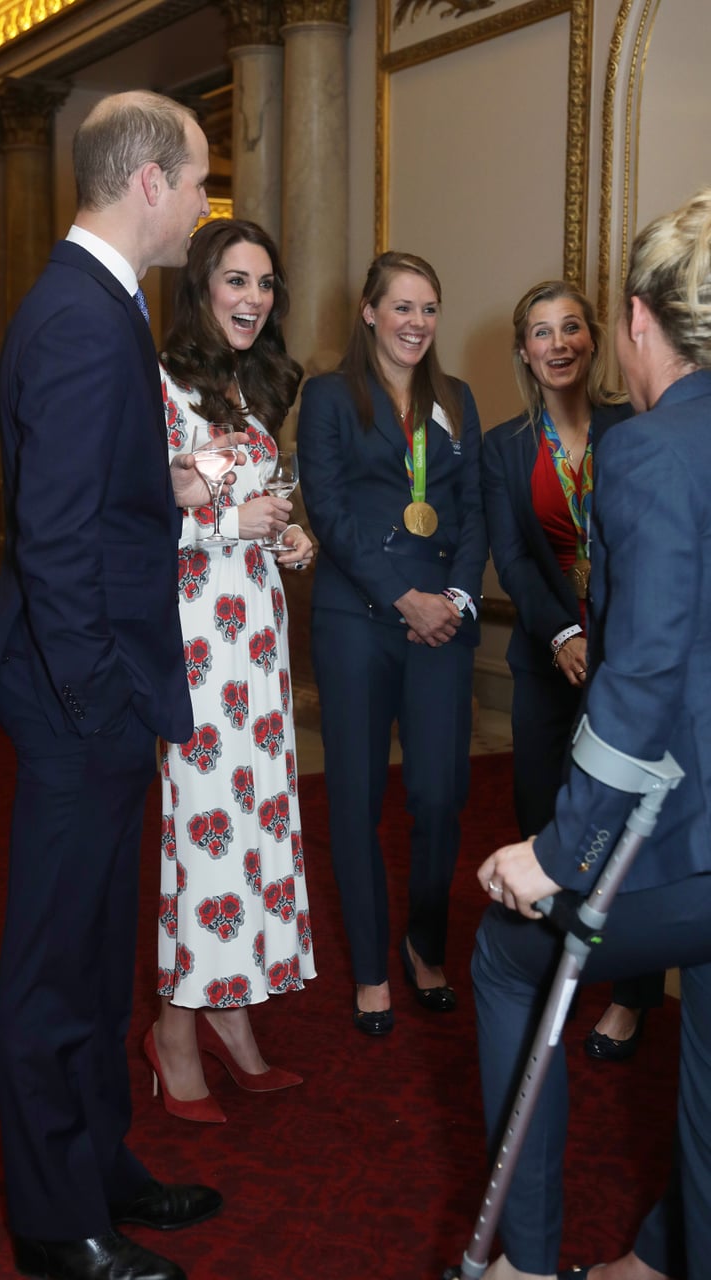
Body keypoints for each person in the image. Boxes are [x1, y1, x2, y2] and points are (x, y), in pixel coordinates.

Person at [0, 92, 225, 1280]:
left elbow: (97, 497)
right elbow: (58, 540)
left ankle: (99, 1162)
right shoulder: (80, 317)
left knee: (98, 944)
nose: (207, 206)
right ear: (149, 183)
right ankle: (51, 1217)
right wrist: (102, 701)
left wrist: (161, 479)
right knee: (54, 967)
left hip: (105, 689)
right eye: (201, 180)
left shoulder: (101, 303)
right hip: (85, 695)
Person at [471, 187, 711, 1280]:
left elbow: (647, 671)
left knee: (506, 955)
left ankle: (522, 1258)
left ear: (633, 320)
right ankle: (669, 1250)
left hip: (693, 831)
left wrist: (557, 853)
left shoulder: (652, 451)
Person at [145, 218, 316, 1123]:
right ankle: (175, 1028)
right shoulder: (163, 384)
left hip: (256, 639)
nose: (253, 299)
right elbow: (134, 514)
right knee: (206, 829)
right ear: (203, 286)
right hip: (198, 645)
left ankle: (236, 1017)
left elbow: (250, 502)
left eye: (265, 284)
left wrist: (284, 530)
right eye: (236, 280)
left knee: (257, 824)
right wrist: (221, 526)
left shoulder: (247, 392)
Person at [297, 250, 486, 1034]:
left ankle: (425, 944)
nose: (416, 322)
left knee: (441, 795)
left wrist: (455, 598)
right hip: (358, 619)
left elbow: (475, 509)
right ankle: (372, 968)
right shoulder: (330, 398)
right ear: (370, 312)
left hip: (441, 621)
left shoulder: (457, 399)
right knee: (356, 797)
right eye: (401, 306)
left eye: (429, 308)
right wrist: (400, 594)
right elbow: (329, 509)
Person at [482, 280, 663, 1061]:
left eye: (571, 329)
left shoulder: (636, 426)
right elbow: (513, 557)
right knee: (541, 811)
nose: (558, 344)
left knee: (625, 828)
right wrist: (559, 632)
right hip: (545, 656)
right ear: (523, 350)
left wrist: (613, 640)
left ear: (596, 339)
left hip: (627, 657)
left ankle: (631, 994)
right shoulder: (504, 446)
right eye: (541, 332)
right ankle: (551, 966)